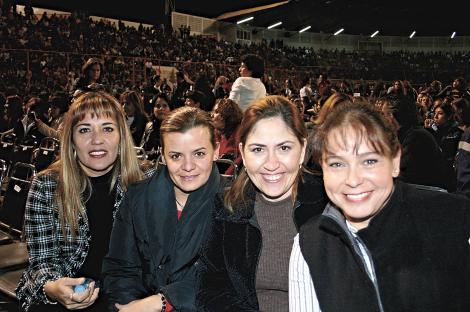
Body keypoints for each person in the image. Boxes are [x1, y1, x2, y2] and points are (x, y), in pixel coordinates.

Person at [289, 102, 470, 312]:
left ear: (395, 162)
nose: (353, 179)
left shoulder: (453, 219)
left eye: (369, 161)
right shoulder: (310, 244)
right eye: (337, 164)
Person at [16, 91, 154, 312]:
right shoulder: (46, 186)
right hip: (67, 293)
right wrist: (52, 287)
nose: (96, 139)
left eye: (107, 129)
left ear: (122, 137)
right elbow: (42, 262)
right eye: (84, 130)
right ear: (71, 140)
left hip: (133, 298)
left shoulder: (147, 181)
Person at [197, 96, 325, 311]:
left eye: (284, 148)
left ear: (302, 150)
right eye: (258, 149)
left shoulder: (328, 205)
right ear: (243, 154)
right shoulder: (226, 208)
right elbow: (210, 291)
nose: (271, 164)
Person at [102, 106, 222, 311]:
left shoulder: (233, 204)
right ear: (163, 156)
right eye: (176, 156)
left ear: (216, 151)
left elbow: (223, 278)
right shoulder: (137, 198)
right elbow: (121, 268)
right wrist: (127, 306)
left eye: (199, 153)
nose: (188, 166)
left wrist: (161, 302)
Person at [211, 98, 243, 175]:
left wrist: (225, 176)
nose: (211, 115)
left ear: (223, 116)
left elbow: (242, 157)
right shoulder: (218, 132)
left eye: (215, 112)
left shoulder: (240, 132)